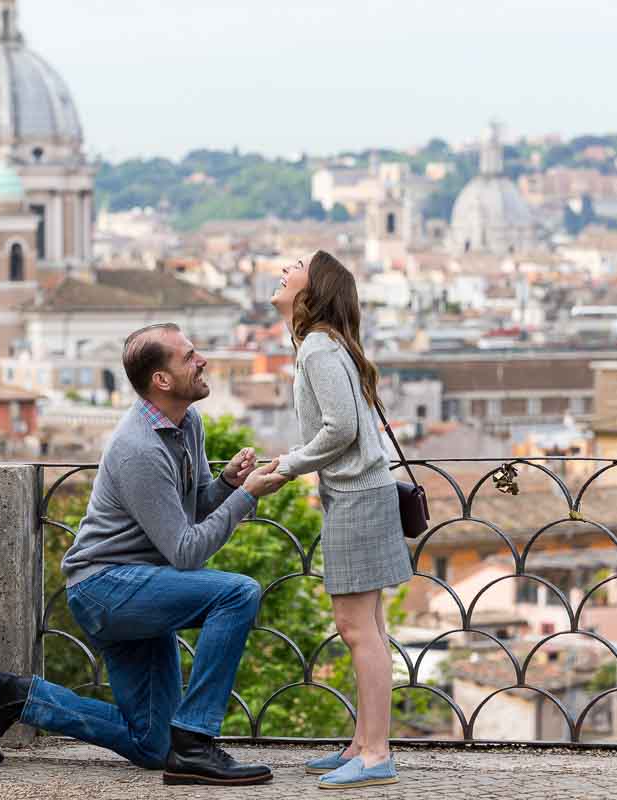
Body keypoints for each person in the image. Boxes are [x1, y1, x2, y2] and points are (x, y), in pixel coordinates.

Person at [0, 323, 289, 786]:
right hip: (106, 589)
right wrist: (248, 497)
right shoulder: (138, 448)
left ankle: (17, 698)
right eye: (189, 356)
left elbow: (189, 506)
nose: (201, 361)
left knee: (154, 747)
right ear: (161, 380)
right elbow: (185, 552)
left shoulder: (186, 423)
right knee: (238, 594)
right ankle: (198, 741)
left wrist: (226, 486)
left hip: (141, 586)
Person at [270, 251, 412, 789]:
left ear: (315, 288)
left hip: (356, 495)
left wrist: (287, 466)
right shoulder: (324, 345)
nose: (287, 266)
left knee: (358, 631)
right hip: (362, 493)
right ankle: (364, 743)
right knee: (369, 627)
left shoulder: (318, 348)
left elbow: (341, 430)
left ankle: (375, 754)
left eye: (300, 264)